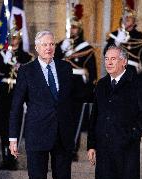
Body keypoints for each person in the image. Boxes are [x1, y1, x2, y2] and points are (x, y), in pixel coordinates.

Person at [9, 30, 75, 179]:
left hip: (62, 136)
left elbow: (71, 100)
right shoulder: (26, 70)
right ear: (37, 48)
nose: (49, 48)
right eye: (44, 44)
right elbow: (16, 106)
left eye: (52, 44)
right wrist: (13, 137)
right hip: (37, 135)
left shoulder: (65, 67)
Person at [87, 46, 142, 179]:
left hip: (126, 149)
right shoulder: (101, 84)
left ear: (124, 62)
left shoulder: (138, 84)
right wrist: (91, 144)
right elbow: (95, 116)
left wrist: (131, 134)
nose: (108, 63)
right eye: (106, 59)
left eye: (113, 59)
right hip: (104, 149)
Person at [0, 14, 33, 170]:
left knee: (15, 126)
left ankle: (13, 159)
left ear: (19, 39)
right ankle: (5, 158)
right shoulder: (2, 55)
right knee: (4, 127)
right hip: (4, 93)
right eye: (11, 37)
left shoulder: (26, 57)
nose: (13, 40)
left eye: (15, 37)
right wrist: (7, 62)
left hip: (18, 93)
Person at [55, 3, 97, 161]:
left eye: (75, 28)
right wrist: (61, 49)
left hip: (78, 87)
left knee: (75, 119)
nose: (72, 30)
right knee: (61, 118)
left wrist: (89, 90)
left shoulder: (86, 48)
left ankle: (72, 149)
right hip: (63, 85)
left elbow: (92, 72)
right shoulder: (62, 45)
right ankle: (60, 146)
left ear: (80, 29)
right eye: (70, 27)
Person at [104, 6, 142, 81]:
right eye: (123, 19)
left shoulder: (141, 37)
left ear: (134, 21)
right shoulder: (115, 34)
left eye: (128, 19)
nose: (125, 21)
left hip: (132, 73)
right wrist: (117, 42)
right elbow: (105, 53)